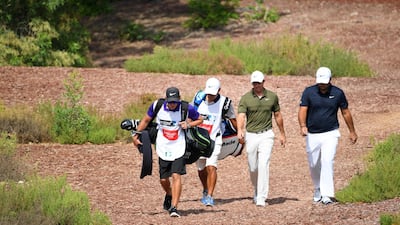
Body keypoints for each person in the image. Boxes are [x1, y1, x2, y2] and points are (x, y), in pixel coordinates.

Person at [132, 87, 203, 217]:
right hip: (163, 146)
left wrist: (188, 125)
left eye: (175, 101)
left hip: (179, 146)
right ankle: (169, 194)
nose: (172, 104)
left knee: (176, 175)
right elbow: (146, 120)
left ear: (179, 99)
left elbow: (200, 119)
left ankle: (174, 207)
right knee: (163, 179)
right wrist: (136, 136)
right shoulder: (157, 105)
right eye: (170, 101)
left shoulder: (186, 108)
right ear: (166, 99)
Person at [298, 66, 358, 205]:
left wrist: (352, 131)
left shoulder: (338, 93)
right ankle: (318, 188)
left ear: (330, 80)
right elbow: (302, 110)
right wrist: (302, 126)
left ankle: (327, 194)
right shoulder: (309, 92)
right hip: (312, 134)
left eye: (325, 83)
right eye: (320, 82)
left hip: (331, 133)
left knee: (327, 161)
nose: (322, 85)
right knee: (313, 164)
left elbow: (345, 112)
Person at [237, 71, 286, 207]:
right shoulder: (246, 98)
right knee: (253, 167)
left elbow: (277, 115)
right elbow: (241, 115)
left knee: (263, 164)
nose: (256, 85)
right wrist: (240, 130)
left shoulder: (272, 97)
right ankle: (256, 189)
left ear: (264, 82)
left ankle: (261, 197)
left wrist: (282, 134)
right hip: (251, 135)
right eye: (254, 83)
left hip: (267, 134)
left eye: (258, 83)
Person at [193, 77, 237, 206]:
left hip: (215, 139)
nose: (210, 96)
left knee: (211, 166)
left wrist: (239, 133)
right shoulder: (198, 98)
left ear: (219, 90)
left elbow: (233, 119)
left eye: (213, 93)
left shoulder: (225, 103)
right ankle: (205, 189)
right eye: (208, 93)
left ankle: (210, 196)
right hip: (199, 140)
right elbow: (190, 113)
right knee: (201, 169)